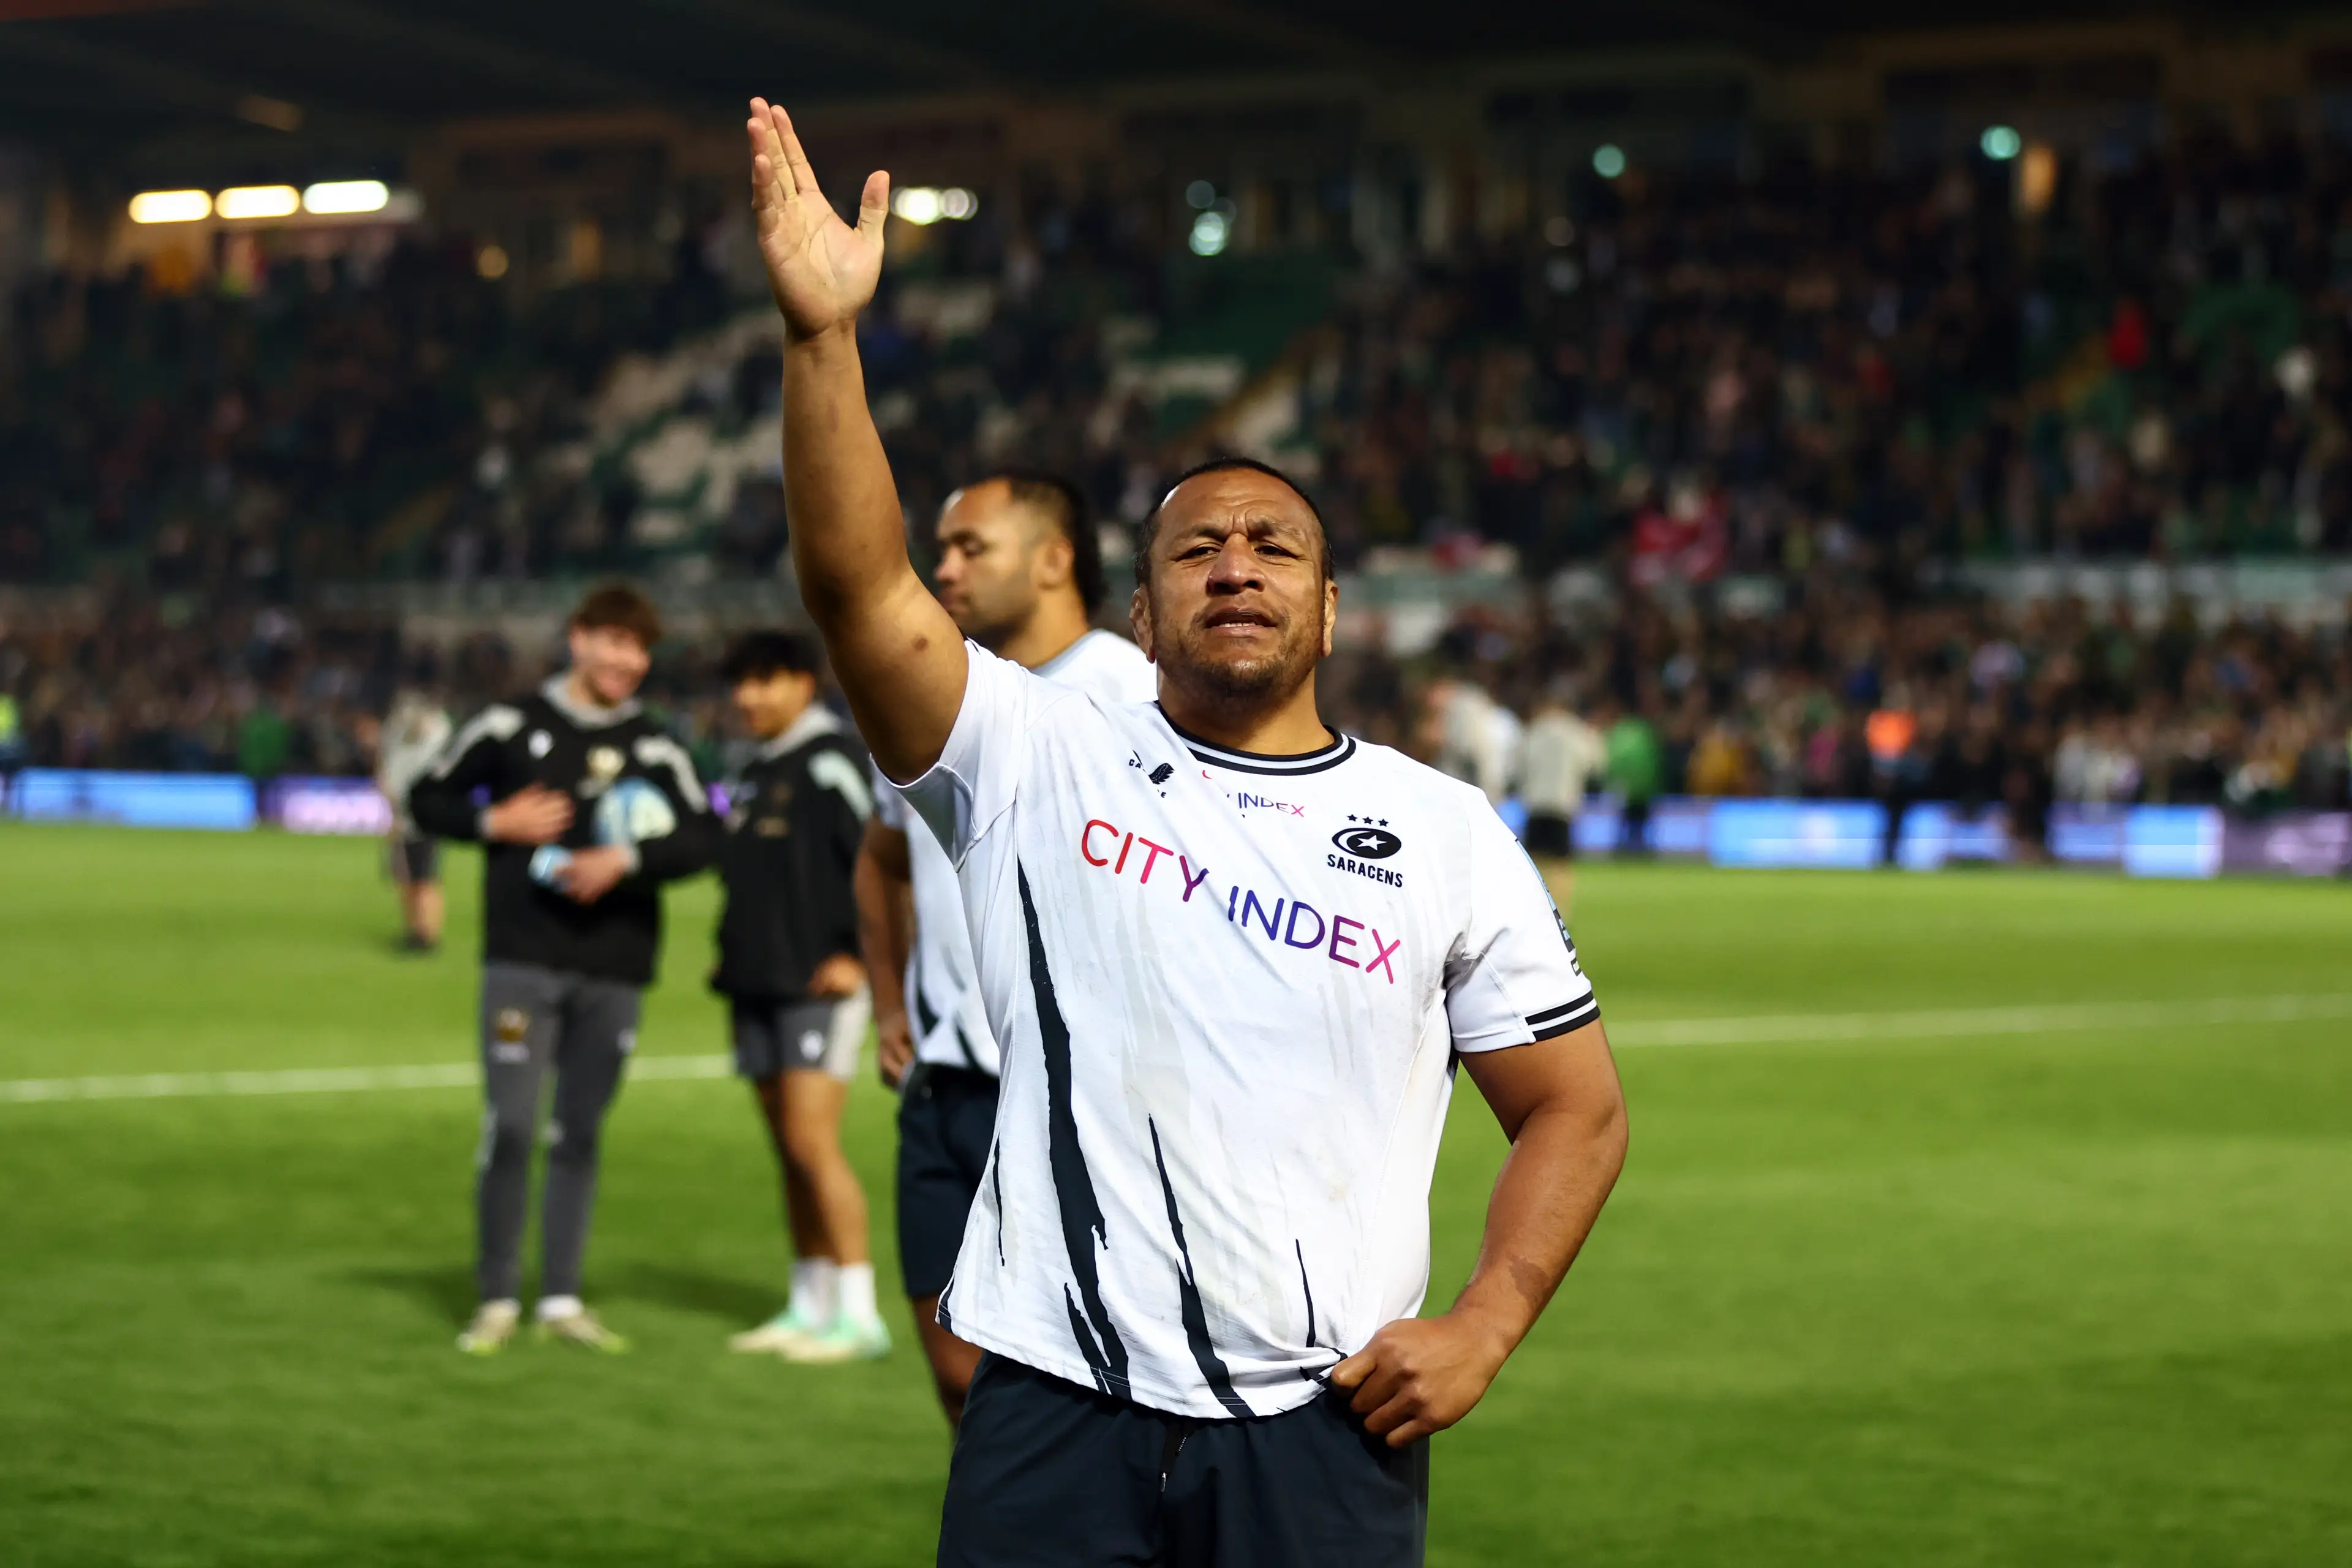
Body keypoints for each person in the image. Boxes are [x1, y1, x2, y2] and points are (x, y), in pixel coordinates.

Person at [748, 99, 1627, 1566]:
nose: (1236, 565)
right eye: (1196, 549)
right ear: (1141, 613)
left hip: (1324, 1419)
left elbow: (1576, 1107)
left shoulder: (1443, 829)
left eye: (1275, 546)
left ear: (1329, 610)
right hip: (1055, 1401)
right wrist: (822, 338)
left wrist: (1487, 1321)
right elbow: (861, 592)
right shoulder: (1038, 753)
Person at [855, 470, 1155, 1424]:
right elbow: (880, 859)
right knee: (958, 1380)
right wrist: (890, 1003)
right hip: (942, 1090)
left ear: (1054, 559)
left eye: (970, 547)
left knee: (1070, 1395)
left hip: (1071, 1098)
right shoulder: (935, 694)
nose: (943, 568)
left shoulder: (1137, 694)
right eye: (939, 549)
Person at [407, 583, 720, 1355]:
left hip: (615, 970)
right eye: (615, 641)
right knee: (512, 1126)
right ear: (578, 638)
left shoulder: (655, 745)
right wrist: (494, 820)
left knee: (578, 1132)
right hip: (522, 962)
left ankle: (560, 1299)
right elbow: (425, 797)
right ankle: (496, 1296)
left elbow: (708, 834)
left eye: (640, 648)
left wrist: (627, 859)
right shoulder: (510, 723)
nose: (627, 660)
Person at [712, 630, 890, 1364]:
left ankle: (860, 1313)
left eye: (765, 680)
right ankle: (808, 1301)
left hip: (820, 982)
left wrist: (856, 952)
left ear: (802, 684)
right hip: (756, 978)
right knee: (788, 1149)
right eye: (741, 683)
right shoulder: (755, 767)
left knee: (813, 1143)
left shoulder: (832, 760)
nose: (748, 697)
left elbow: (879, 855)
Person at [377, 689, 452, 952]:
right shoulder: (400, 735)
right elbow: (388, 771)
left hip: (422, 815)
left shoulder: (435, 731)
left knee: (424, 877)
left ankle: (427, 934)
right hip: (403, 814)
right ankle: (414, 930)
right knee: (406, 876)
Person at [1519, 688, 1606, 909]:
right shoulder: (1577, 731)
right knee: (1561, 863)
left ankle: (1531, 908)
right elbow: (1595, 764)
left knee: (1532, 861)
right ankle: (1560, 911)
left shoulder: (1535, 730)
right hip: (1562, 802)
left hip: (1536, 802)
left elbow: (1520, 762)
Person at [1602, 701, 1663, 856]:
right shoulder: (1645, 731)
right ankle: (1642, 848)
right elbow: (1655, 760)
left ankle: (1622, 848)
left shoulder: (1618, 732)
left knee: (1624, 820)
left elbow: (1610, 758)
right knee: (1641, 821)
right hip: (1644, 788)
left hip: (1625, 787)